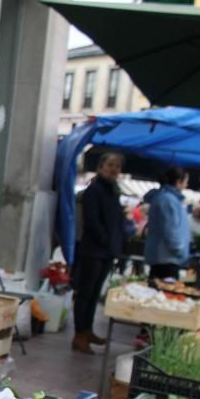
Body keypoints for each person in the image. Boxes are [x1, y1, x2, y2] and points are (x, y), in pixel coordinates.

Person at [72, 152, 126, 355]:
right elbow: (92, 221)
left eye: (117, 166)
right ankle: (79, 335)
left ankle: (87, 330)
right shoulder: (94, 190)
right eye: (110, 164)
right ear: (101, 166)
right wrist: (106, 241)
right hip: (93, 250)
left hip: (107, 252)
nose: (113, 169)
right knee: (85, 293)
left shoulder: (113, 191)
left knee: (94, 294)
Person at [144, 166, 190, 284]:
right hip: (166, 257)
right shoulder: (168, 199)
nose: (186, 185)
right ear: (179, 181)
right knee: (163, 292)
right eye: (186, 181)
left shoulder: (167, 198)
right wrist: (179, 248)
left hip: (166, 256)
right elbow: (170, 229)